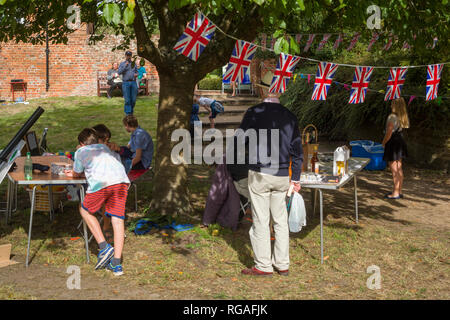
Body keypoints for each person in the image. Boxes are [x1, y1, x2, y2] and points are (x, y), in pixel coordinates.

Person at [238, 90, 303, 277]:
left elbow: (241, 140)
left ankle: (263, 265)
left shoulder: (254, 112)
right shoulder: (290, 116)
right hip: (282, 174)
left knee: (261, 219)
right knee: (281, 220)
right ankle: (282, 264)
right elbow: (297, 151)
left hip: (259, 172)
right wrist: (296, 178)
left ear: (262, 92)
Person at [65, 128, 130, 276]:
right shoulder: (104, 147)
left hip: (101, 183)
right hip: (121, 181)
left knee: (85, 210)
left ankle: (104, 246)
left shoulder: (80, 152)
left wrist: (73, 170)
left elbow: (76, 172)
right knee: (118, 220)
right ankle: (116, 264)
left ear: (81, 143)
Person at [92, 124, 122, 243]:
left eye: (107, 140)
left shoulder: (111, 152)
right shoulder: (90, 152)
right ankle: (106, 225)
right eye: (103, 140)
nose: (106, 143)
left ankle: (106, 225)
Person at [382, 97, 409, 199]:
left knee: (394, 169)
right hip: (400, 142)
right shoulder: (402, 116)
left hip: (393, 143)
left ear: (395, 105)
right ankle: (399, 190)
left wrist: (383, 142)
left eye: (392, 103)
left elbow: (389, 132)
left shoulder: (392, 117)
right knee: (399, 168)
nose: (390, 105)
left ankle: (395, 193)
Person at [118, 50, 138, 115]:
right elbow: (119, 72)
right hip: (125, 83)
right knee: (127, 100)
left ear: (131, 56)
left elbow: (137, 72)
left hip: (133, 83)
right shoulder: (122, 64)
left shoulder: (134, 64)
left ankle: (131, 112)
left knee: (133, 100)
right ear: (125, 56)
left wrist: (136, 74)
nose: (128, 57)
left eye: (130, 55)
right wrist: (125, 66)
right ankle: (128, 114)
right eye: (127, 55)